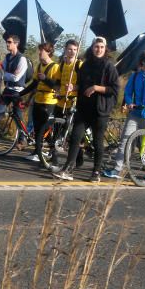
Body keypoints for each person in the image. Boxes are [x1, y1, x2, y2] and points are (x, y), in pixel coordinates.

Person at [51, 37, 120, 182]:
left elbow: (114, 89)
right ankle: (68, 169)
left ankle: (96, 172)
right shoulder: (85, 65)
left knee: (97, 142)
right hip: (83, 107)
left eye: (101, 47)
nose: (98, 49)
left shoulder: (109, 66)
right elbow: (80, 85)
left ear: (105, 48)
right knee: (75, 137)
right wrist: (73, 87)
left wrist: (96, 88)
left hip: (100, 109)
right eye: (96, 46)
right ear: (92, 47)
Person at [105, 50, 145, 178]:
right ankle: (117, 169)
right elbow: (128, 92)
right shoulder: (135, 76)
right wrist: (129, 102)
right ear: (143, 62)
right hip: (135, 113)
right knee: (125, 140)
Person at [25, 42, 61, 165]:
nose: (39, 53)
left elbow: (57, 86)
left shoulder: (55, 67)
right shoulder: (39, 66)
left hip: (49, 101)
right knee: (37, 128)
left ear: (49, 52)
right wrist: (20, 94)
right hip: (38, 100)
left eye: (42, 51)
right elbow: (34, 84)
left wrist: (45, 79)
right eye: (39, 50)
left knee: (45, 130)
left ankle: (53, 156)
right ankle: (37, 151)